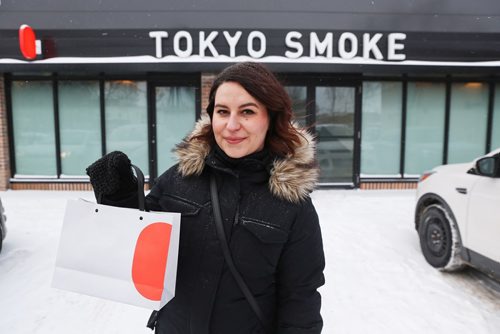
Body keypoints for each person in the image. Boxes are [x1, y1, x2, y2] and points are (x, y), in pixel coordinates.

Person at [86, 62, 325, 334]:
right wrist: (119, 198)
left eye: (247, 112)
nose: (232, 125)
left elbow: (301, 299)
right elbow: (137, 251)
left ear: (270, 118)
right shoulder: (179, 178)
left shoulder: (292, 204)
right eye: (223, 112)